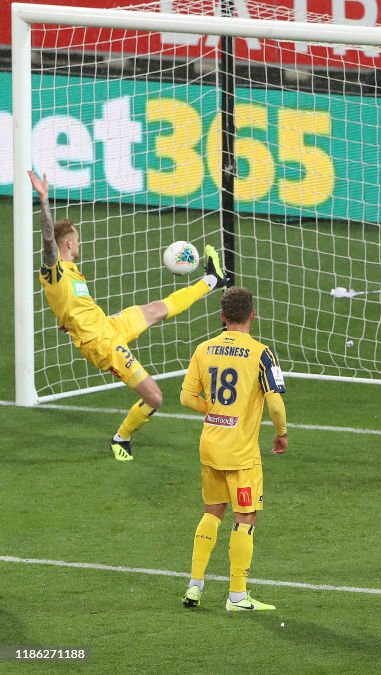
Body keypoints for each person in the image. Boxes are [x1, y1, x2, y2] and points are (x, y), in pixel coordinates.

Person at [28, 170, 228, 461]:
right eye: (78, 240)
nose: (79, 245)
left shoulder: (71, 273)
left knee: (158, 309)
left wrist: (68, 321)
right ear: (69, 244)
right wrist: (44, 200)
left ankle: (213, 280)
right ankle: (121, 437)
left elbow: (70, 306)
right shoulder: (54, 270)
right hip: (104, 346)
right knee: (155, 397)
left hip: (108, 325)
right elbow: (48, 241)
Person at [179, 287, 288, 611]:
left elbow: (186, 397)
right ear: (252, 314)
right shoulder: (261, 353)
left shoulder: (203, 348)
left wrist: (213, 410)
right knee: (245, 516)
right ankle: (237, 596)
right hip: (241, 454)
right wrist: (280, 433)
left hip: (210, 446)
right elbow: (276, 403)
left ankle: (195, 586)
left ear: (222, 317)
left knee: (212, 512)